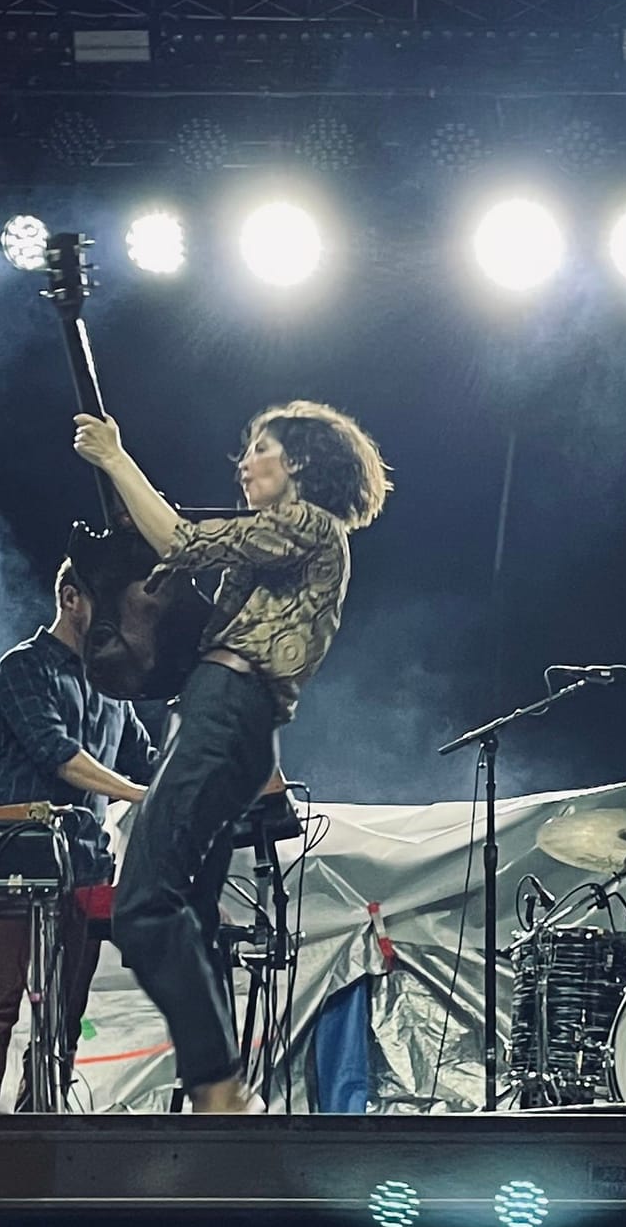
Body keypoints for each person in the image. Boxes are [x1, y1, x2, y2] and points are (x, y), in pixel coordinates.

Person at [72, 401, 390, 1113]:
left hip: (226, 709)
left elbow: (184, 542)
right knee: (194, 914)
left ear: (299, 464)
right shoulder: (283, 542)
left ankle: (219, 1087)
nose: (244, 463)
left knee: (143, 904)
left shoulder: (308, 526)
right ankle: (219, 1087)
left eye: (260, 450)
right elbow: (186, 550)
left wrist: (116, 459)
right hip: (231, 719)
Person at [0, 558, 156, 1110]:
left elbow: (150, 760)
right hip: (14, 855)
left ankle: (39, 1121)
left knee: (66, 1010)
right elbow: (59, 754)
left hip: (86, 864)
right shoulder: (23, 667)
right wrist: (143, 795)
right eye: (107, 605)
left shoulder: (110, 685)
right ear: (70, 598)